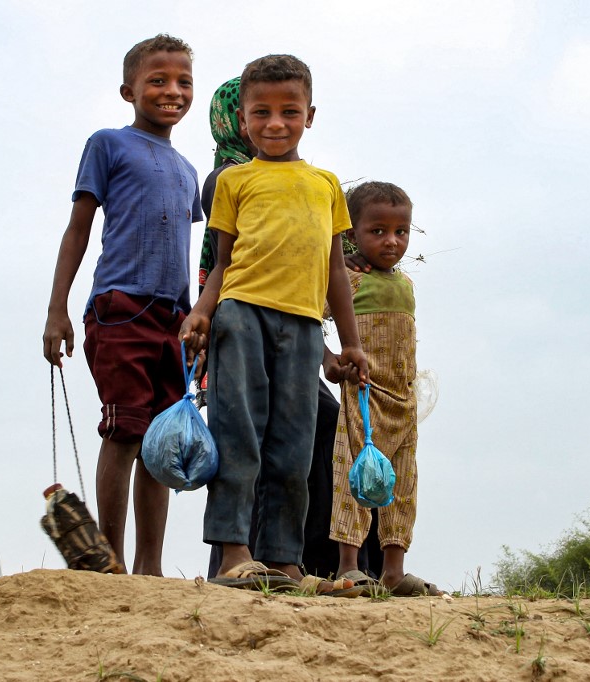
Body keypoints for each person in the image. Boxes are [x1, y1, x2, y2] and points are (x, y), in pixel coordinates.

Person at [181, 54, 369, 591]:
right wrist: (201, 312)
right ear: (243, 120)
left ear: (310, 115)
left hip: (305, 327)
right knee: (237, 435)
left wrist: (349, 345)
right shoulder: (233, 182)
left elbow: (334, 268)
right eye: (260, 113)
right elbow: (222, 261)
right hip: (240, 317)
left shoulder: (326, 185)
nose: (275, 123)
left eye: (289, 111)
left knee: (294, 444)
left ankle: (285, 560)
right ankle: (232, 555)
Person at [42, 34, 202, 576]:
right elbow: (78, 230)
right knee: (126, 428)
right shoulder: (108, 144)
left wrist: (198, 317)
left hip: (174, 318)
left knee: (162, 441)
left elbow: (198, 252)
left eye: (183, 82)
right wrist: (56, 309)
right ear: (128, 90)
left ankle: (149, 566)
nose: (171, 91)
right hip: (119, 308)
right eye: (157, 80)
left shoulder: (187, 172)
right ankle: (106, 560)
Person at [329, 181, 442, 596]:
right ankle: (349, 567)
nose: (392, 241)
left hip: (403, 402)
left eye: (401, 231)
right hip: (364, 397)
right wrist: (331, 359)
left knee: (403, 483)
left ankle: (393, 571)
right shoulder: (348, 280)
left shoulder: (406, 284)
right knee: (352, 477)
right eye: (377, 231)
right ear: (351, 233)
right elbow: (309, 316)